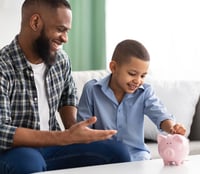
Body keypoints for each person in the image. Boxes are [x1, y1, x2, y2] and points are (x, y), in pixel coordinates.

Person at [0, 1, 131, 174]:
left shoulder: (61, 60)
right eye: (60, 29)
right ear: (35, 22)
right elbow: (2, 131)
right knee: (29, 164)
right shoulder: (4, 65)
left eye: (67, 31)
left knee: (118, 152)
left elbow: (67, 98)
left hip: (54, 146)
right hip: (14, 151)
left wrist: (75, 130)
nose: (65, 38)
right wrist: (64, 137)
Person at [77, 39, 186, 161]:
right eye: (132, 73)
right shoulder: (92, 89)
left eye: (143, 75)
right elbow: (83, 130)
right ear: (113, 67)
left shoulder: (145, 93)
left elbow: (160, 114)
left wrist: (172, 128)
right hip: (102, 155)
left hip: (136, 156)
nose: (138, 80)